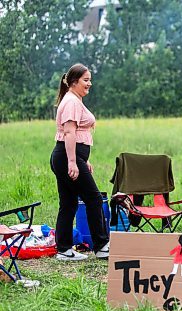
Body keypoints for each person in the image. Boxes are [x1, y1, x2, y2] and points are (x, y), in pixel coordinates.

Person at [50, 63, 110, 261]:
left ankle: (64, 249)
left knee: (68, 204)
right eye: (86, 80)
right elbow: (69, 132)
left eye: (89, 80)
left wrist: (84, 160)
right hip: (66, 157)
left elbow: (78, 134)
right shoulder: (72, 102)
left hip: (68, 157)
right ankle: (101, 246)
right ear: (74, 82)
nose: (89, 84)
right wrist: (74, 162)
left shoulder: (73, 99)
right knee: (93, 198)